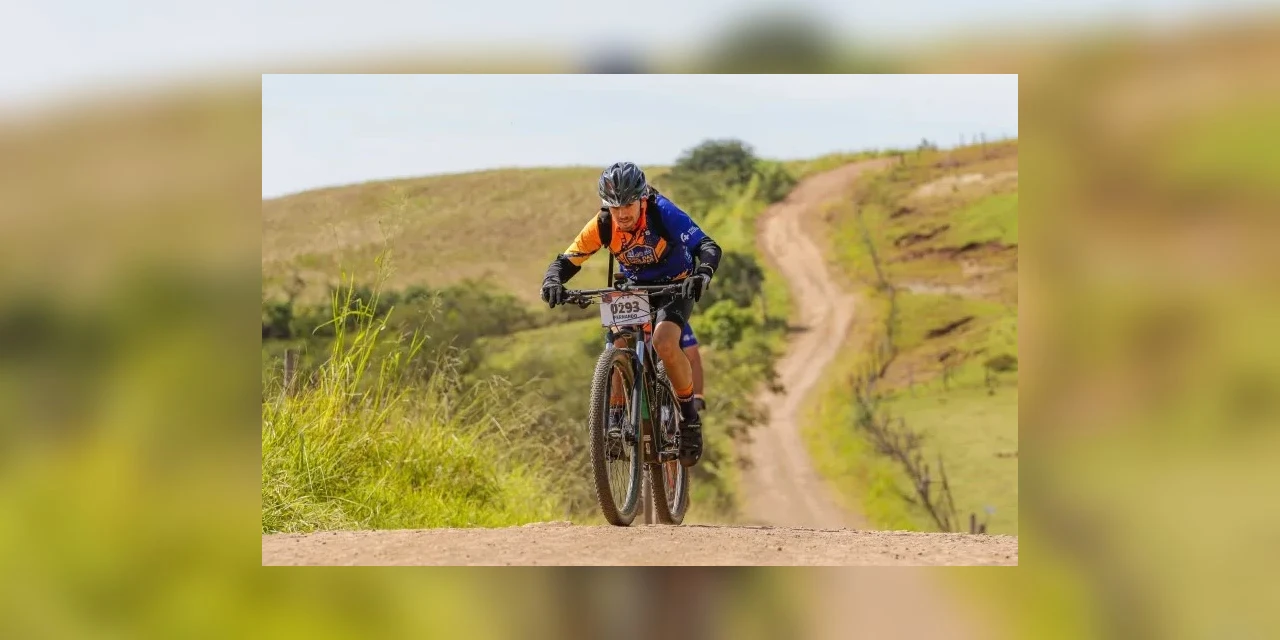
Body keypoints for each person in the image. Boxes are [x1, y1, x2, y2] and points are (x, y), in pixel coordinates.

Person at [541, 161, 720, 466]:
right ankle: (614, 420)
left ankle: (688, 418)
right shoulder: (603, 224)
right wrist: (552, 281)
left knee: (665, 342)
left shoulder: (662, 211)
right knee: (618, 342)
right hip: (634, 289)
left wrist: (701, 274)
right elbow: (568, 260)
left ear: (642, 199)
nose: (622, 213)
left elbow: (708, 246)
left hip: (675, 285)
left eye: (628, 205)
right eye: (614, 207)